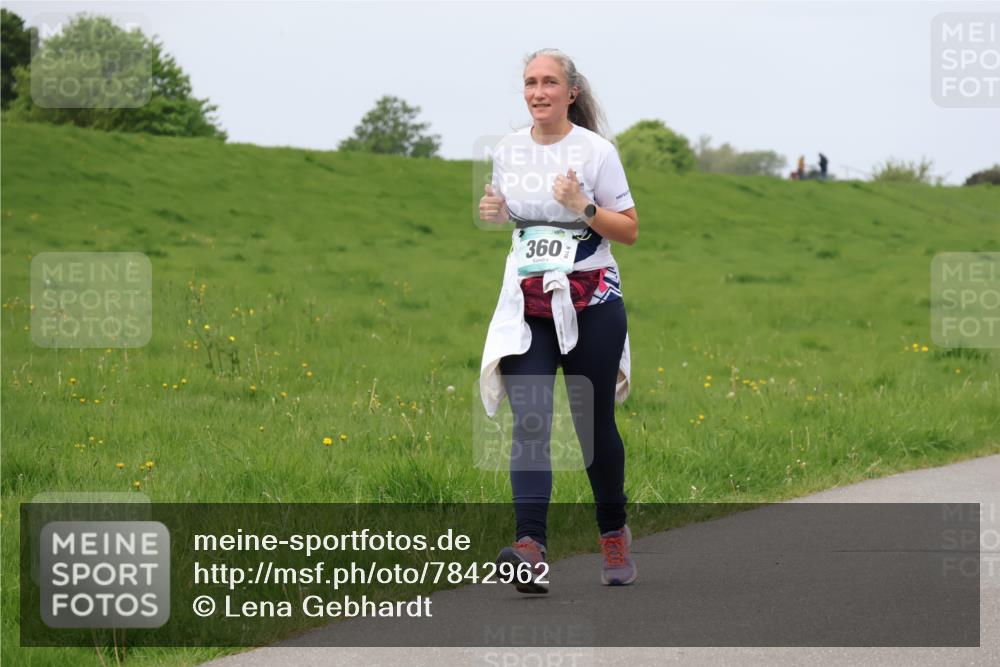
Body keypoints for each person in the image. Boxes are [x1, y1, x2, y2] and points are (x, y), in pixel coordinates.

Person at [478, 48, 639, 594]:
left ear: (571, 92)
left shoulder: (596, 152)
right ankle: (529, 548)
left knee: (592, 425)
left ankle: (613, 531)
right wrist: (500, 215)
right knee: (529, 422)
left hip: (591, 302)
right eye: (529, 82)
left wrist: (583, 206)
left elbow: (630, 230)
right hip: (528, 304)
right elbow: (522, 225)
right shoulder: (507, 150)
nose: (538, 91)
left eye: (549, 82)